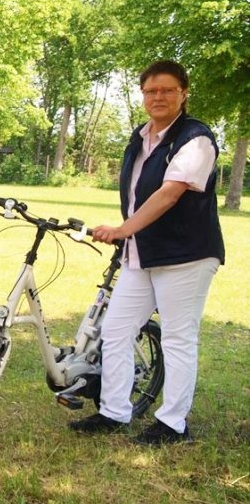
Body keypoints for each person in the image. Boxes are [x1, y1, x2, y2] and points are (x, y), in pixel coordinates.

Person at [69, 60, 224, 445]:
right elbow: (139, 192)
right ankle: (113, 412)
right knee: (117, 332)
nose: (159, 97)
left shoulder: (197, 139)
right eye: (152, 91)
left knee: (177, 337)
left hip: (186, 255)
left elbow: (170, 194)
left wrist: (124, 229)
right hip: (141, 255)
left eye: (168, 90)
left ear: (184, 93)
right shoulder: (140, 139)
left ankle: (173, 424)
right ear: (143, 96)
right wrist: (128, 236)